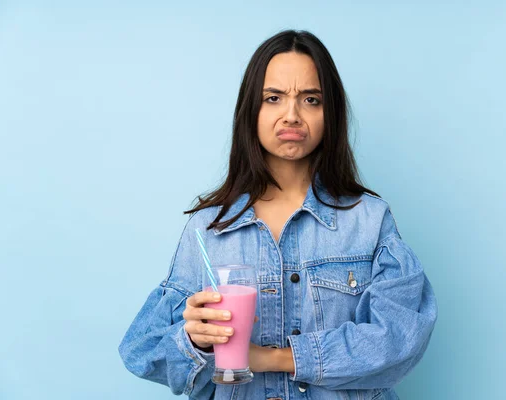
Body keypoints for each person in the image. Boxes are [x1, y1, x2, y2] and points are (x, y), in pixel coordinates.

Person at [118, 29, 438, 400]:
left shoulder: (369, 221)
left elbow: (399, 339)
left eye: (311, 99)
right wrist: (193, 340)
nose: (292, 115)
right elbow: (142, 350)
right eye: (274, 98)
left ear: (329, 113)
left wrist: (276, 358)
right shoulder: (209, 229)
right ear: (251, 111)